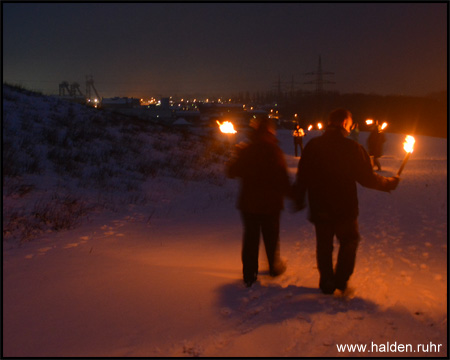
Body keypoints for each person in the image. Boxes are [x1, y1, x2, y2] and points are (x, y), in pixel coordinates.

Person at [292, 108, 399, 295]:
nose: (350, 129)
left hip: (320, 208)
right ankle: (341, 280)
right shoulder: (352, 148)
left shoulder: (313, 146)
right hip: (345, 209)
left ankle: (327, 281)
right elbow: (367, 178)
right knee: (349, 241)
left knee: (324, 245)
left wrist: (299, 197)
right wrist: (388, 184)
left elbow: (303, 176)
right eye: (350, 125)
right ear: (343, 124)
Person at [226, 116, 290, 287]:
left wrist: (236, 155)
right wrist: (293, 195)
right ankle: (273, 268)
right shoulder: (274, 151)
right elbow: (283, 178)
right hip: (271, 203)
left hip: (249, 204)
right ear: (269, 132)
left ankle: (249, 274)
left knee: (250, 238)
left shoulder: (247, 150)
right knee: (271, 237)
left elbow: (232, 172)